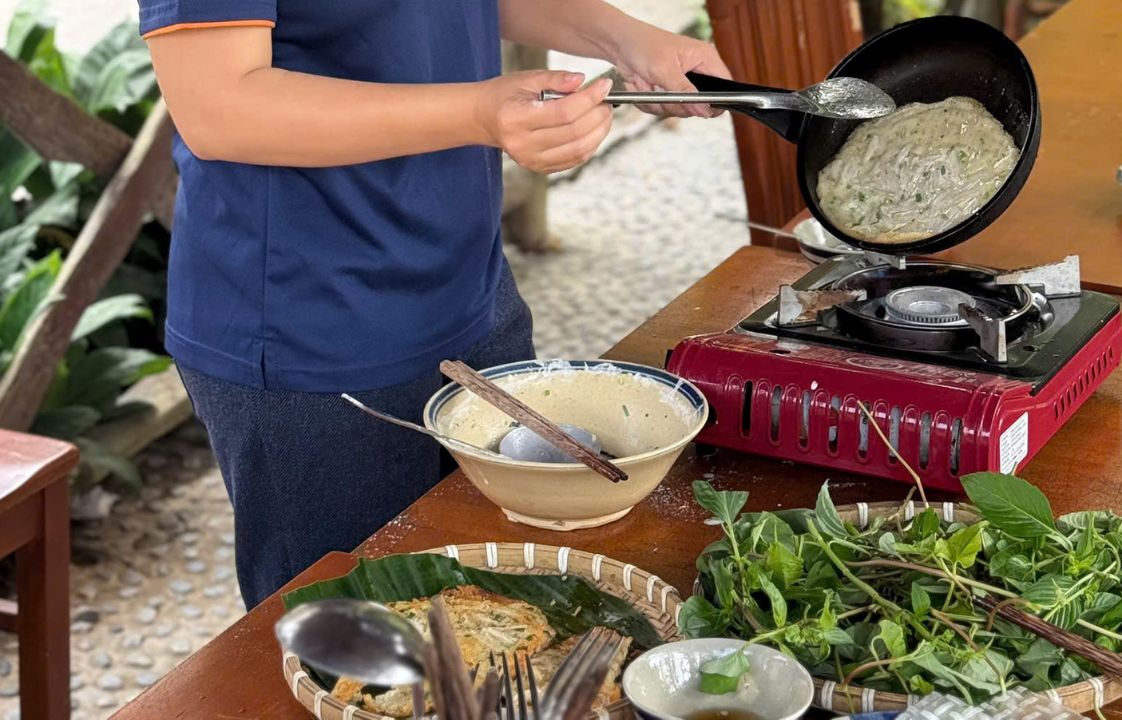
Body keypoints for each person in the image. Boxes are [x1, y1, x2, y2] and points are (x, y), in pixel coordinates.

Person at [139, 0, 731, 609]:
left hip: (472, 285)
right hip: (312, 327)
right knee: (358, 636)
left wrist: (625, 40)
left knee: (509, 607)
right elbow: (218, 107)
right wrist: (478, 112)